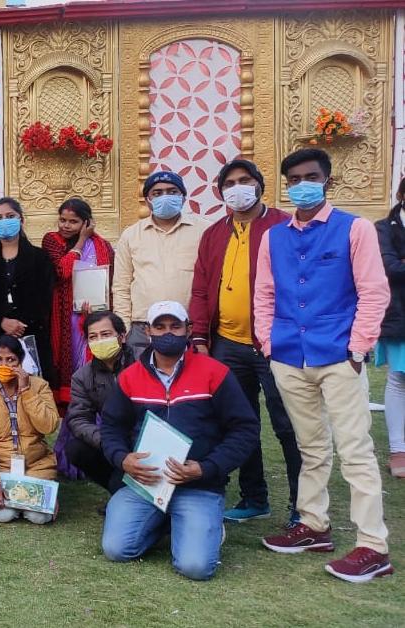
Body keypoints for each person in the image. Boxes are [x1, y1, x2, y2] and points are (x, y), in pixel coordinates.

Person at [256, 148, 394, 583]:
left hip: (338, 355)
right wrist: (267, 342)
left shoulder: (355, 228)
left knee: (355, 450)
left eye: (311, 177)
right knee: (311, 446)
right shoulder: (273, 237)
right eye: (294, 179)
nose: (303, 185)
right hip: (288, 355)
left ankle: (373, 545)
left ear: (327, 181)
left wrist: (357, 349)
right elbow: (265, 292)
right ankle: (313, 525)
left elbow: (374, 291)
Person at [100, 301, 258, 581]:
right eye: (160, 327)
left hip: (198, 485)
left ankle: (199, 526)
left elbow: (245, 429)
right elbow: (111, 428)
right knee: (116, 548)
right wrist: (122, 459)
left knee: (195, 567)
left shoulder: (215, 372)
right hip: (146, 484)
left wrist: (206, 468)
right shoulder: (130, 377)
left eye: (175, 326)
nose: (167, 333)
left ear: (189, 329)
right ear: (147, 331)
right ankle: (169, 523)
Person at [188, 158, 300, 524]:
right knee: (239, 422)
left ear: (260, 185)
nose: (238, 188)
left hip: (276, 344)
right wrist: (200, 337)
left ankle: (303, 505)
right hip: (227, 344)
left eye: (245, 180)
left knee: (287, 424)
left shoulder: (284, 226)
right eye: (230, 183)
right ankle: (254, 497)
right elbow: (201, 289)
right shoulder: (213, 234)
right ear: (221, 192)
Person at [112, 171, 208, 357]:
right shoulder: (131, 235)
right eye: (157, 193)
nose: (165, 197)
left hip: (189, 327)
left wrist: (202, 331)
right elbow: (121, 286)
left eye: (172, 192)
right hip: (143, 328)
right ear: (147, 200)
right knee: (143, 376)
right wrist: (124, 329)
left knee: (191, 375)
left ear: (183, 197)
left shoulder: (204, 230)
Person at [0, 334, 61, 524]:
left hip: (37, 465)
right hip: (2, 468)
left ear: (20, 361)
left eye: (10, 360)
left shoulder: (39, 385)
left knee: (39, 517)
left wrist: (26, 391)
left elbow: (49, 426)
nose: (4, 365)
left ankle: (41, 499)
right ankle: (19, 505)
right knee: (3, 514)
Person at [41, 197, 115, 405]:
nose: (65, 225)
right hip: (65, 317)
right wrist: (81, 240)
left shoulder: (103, 246)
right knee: (68, 361)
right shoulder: (52, 240)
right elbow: (62, 271)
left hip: (94, 314)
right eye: (62, 220)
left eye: (73, 221)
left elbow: (109, 281)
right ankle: (70, 407)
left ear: (86, 222)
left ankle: (95, 404)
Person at [0, 197, 56, 382]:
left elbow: (44, 296)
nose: (4, 221)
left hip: (30, 332)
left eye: (10, 216)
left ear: (21, 219)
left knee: (29, 387)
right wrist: (1, 320)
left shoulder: (40, 257)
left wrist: (19, 324)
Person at [62, 311, 133, 493]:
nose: (100, 341)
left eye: (106, 334)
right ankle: (116, 489)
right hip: (110, 439)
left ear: (122, 336)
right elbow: (79, 419)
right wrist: (107, 440)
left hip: (142, 436)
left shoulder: (142, 365)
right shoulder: (82, 377)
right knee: (76, 449)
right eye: (93, 337)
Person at [377, 177, 405, 480]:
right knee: (399, 379)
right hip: (400, 316)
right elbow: (391, 268)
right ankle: (399, 450)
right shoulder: (384, 228)